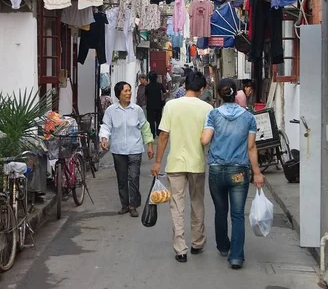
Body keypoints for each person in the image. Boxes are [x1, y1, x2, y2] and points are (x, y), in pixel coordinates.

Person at [201, 79, 265, 269]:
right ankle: (236, 257)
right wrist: (257, 173)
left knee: (221, 211)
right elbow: (251, 147)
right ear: (236, 93)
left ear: (219, 94)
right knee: (237, 215)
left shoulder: (213, 115)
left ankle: (223, 246)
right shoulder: (248, 117)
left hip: (217, 170)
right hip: (239, 172)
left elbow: (205, 140)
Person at [151, 71, 213, 263]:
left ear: (184, 85)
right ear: (202, 89)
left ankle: (180, 249)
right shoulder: (208, 108)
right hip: (197, 162)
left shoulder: (171, 106)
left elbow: (163, 135)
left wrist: (158, 161)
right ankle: (197, 242)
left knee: (176, 205)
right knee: (197, 202)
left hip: (175, 162)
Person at [100, 81, 154, 217]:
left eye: (129, 90)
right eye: (125, 91)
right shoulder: (111, 111)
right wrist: (104, 138)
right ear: (119, 94)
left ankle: (133, 205)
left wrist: (149, 144)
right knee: (122, 178)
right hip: (118, 150)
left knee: (134, 177)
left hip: (135, 148)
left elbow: (145, 126)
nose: (128, 93)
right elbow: (106, 126)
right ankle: (124, 204)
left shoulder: (137, 110)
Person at [145, 71, 166, 137]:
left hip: (150, 106)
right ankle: (159, 132)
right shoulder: (159, 85)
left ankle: (152, 133)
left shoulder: (147, 86)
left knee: (150, 120)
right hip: (159, 105)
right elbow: (164, 93)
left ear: (149, 78)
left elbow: (146, 94)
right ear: (156, 77)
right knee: (158, 119)